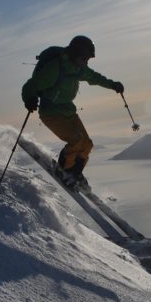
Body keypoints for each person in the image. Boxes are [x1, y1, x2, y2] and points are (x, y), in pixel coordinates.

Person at [21, 35, 124, 188]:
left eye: (88, 59)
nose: (86, 62)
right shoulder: (56, 68)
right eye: (85, 58)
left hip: (68, 110)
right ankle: (65, 170)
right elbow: (31, 85)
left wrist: (113, 85)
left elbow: (95, 78)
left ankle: (75, 172)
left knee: (87, 144)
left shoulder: (79, 68)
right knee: (76, 140)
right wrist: (29, 99)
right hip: (51, 112)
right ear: (76, 53)